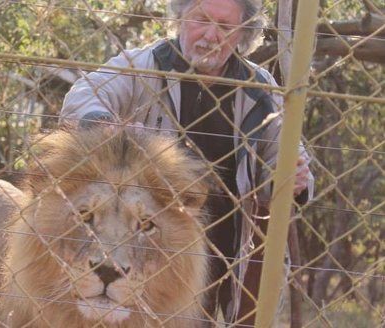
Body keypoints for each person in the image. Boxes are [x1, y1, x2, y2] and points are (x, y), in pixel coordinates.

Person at [59, 0, 314, 325]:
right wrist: (107, 125)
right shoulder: (144, 64)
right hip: (152, 240)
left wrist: (294, 177)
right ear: (181, 17)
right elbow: (82, 96)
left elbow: (287, 153)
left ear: (243, 35)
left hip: (230, 239)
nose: (210, 35)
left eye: (225, 26)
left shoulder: (260, 87)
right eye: (201, 19)